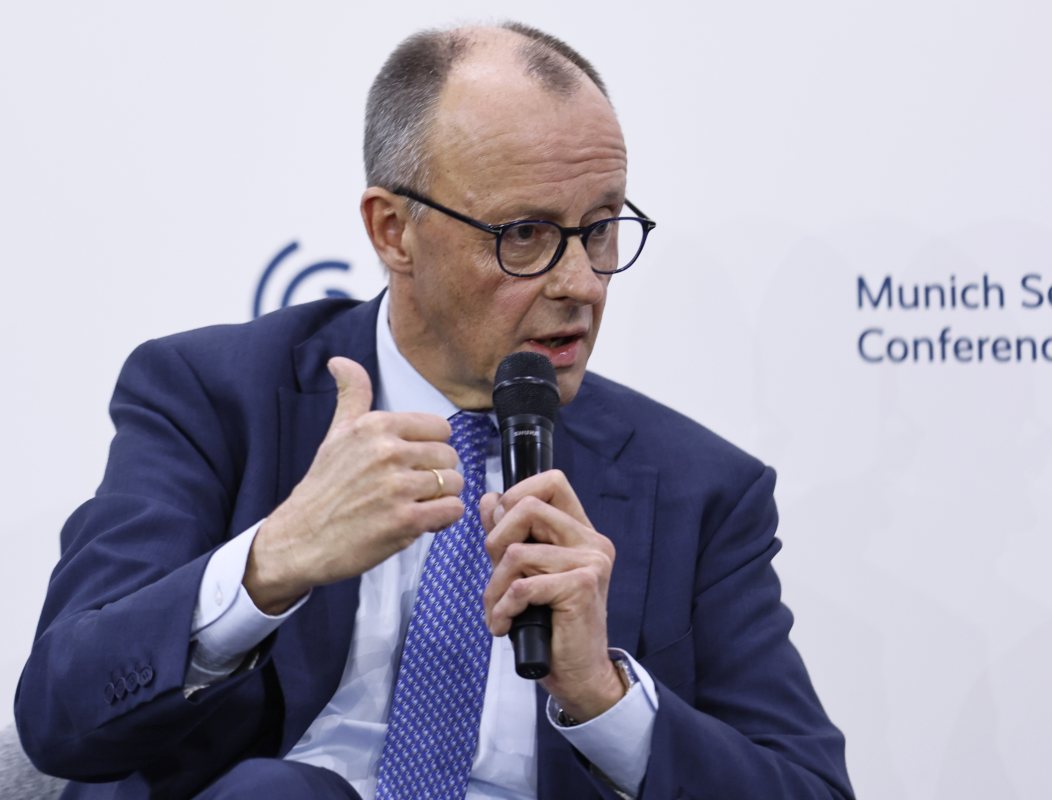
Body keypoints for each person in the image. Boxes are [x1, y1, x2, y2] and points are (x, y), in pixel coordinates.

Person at [15, 22, 854, 800]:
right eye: (524, 234)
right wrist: (270, 564)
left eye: (602, 229)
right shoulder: (214, 394)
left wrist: (604, 694)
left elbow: (808, 786)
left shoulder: (698, 488)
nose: (581, 283)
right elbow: (59, 715)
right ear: (393, 231)